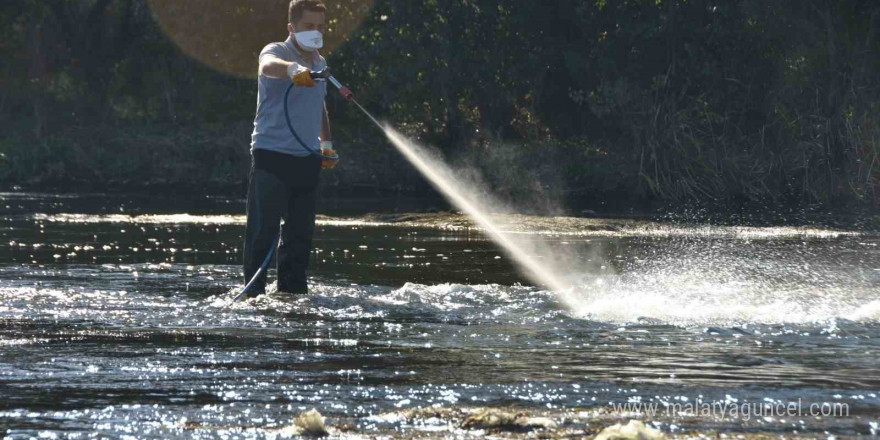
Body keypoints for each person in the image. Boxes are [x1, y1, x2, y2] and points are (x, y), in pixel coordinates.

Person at [243, 0, 337, 296]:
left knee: (300, 237)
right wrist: (292, 69)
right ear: (291, 27)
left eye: (320, 27)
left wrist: (327, 144)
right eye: (309, 26)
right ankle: (253, 295)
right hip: (271, 155)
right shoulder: (277, 51)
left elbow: (318, 103)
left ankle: (292, 297)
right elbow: (267, 67)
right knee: (263, 233)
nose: (316, 32)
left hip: (306, 159)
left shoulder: (320, 62)